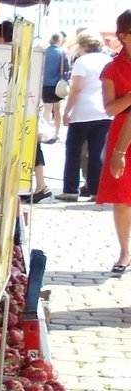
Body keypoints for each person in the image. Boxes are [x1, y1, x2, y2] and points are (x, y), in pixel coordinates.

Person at [0, 21, 51, 202]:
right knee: (29, 146)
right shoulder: (22, 52)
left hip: (21, 108)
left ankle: (40, 186)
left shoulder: (11, 54)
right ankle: (36, 185)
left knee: (28, 146)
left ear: (3, 36)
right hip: (24, 106)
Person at [96, 10, 131, 274]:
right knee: (122, 198)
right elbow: (110, 109)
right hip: (121, 135)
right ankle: (124, 252)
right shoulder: (112, 68)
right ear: (123, 36)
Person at [59, 30, 111, 202]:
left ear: (82, 44)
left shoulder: (82, 61)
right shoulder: (108, 60)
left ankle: (70, 190)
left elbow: (77, 89)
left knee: (73, 151)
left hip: (82, 112)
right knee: (97, 154)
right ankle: (96, 190)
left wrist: (67, 110)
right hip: (104, 112)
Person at [41, 33, 71, 143]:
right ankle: (56, 134)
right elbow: (67, 69)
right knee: (57, 109)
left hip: (45, 84)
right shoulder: (62, 52)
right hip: (58, 85)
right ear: (60, 40)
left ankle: (44, 133)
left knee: (46, 109)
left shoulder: (44, 52)